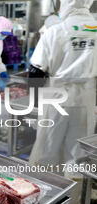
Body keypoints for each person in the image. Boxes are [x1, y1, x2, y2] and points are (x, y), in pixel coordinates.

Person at [29, 0, 97, 168]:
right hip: (86, 99)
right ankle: (76, 191)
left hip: (56, 98)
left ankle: (49, 189)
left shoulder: (54, 32)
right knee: (79, 152)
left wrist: (35, 102)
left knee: (47, 147)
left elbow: (36, 72)